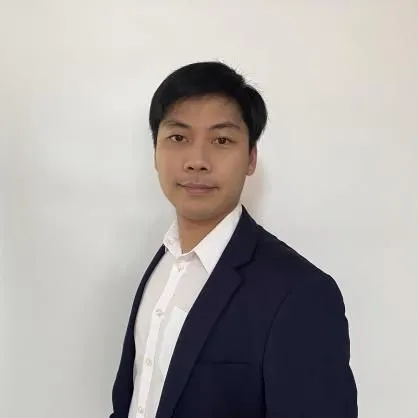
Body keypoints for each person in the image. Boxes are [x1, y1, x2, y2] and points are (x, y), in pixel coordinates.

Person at [110, 61, 358, 418]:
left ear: (251, 158)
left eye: (222, 140)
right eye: (178, 138)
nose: (197, 161)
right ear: (155, 153)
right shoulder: (163, 265)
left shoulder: (300, 293)